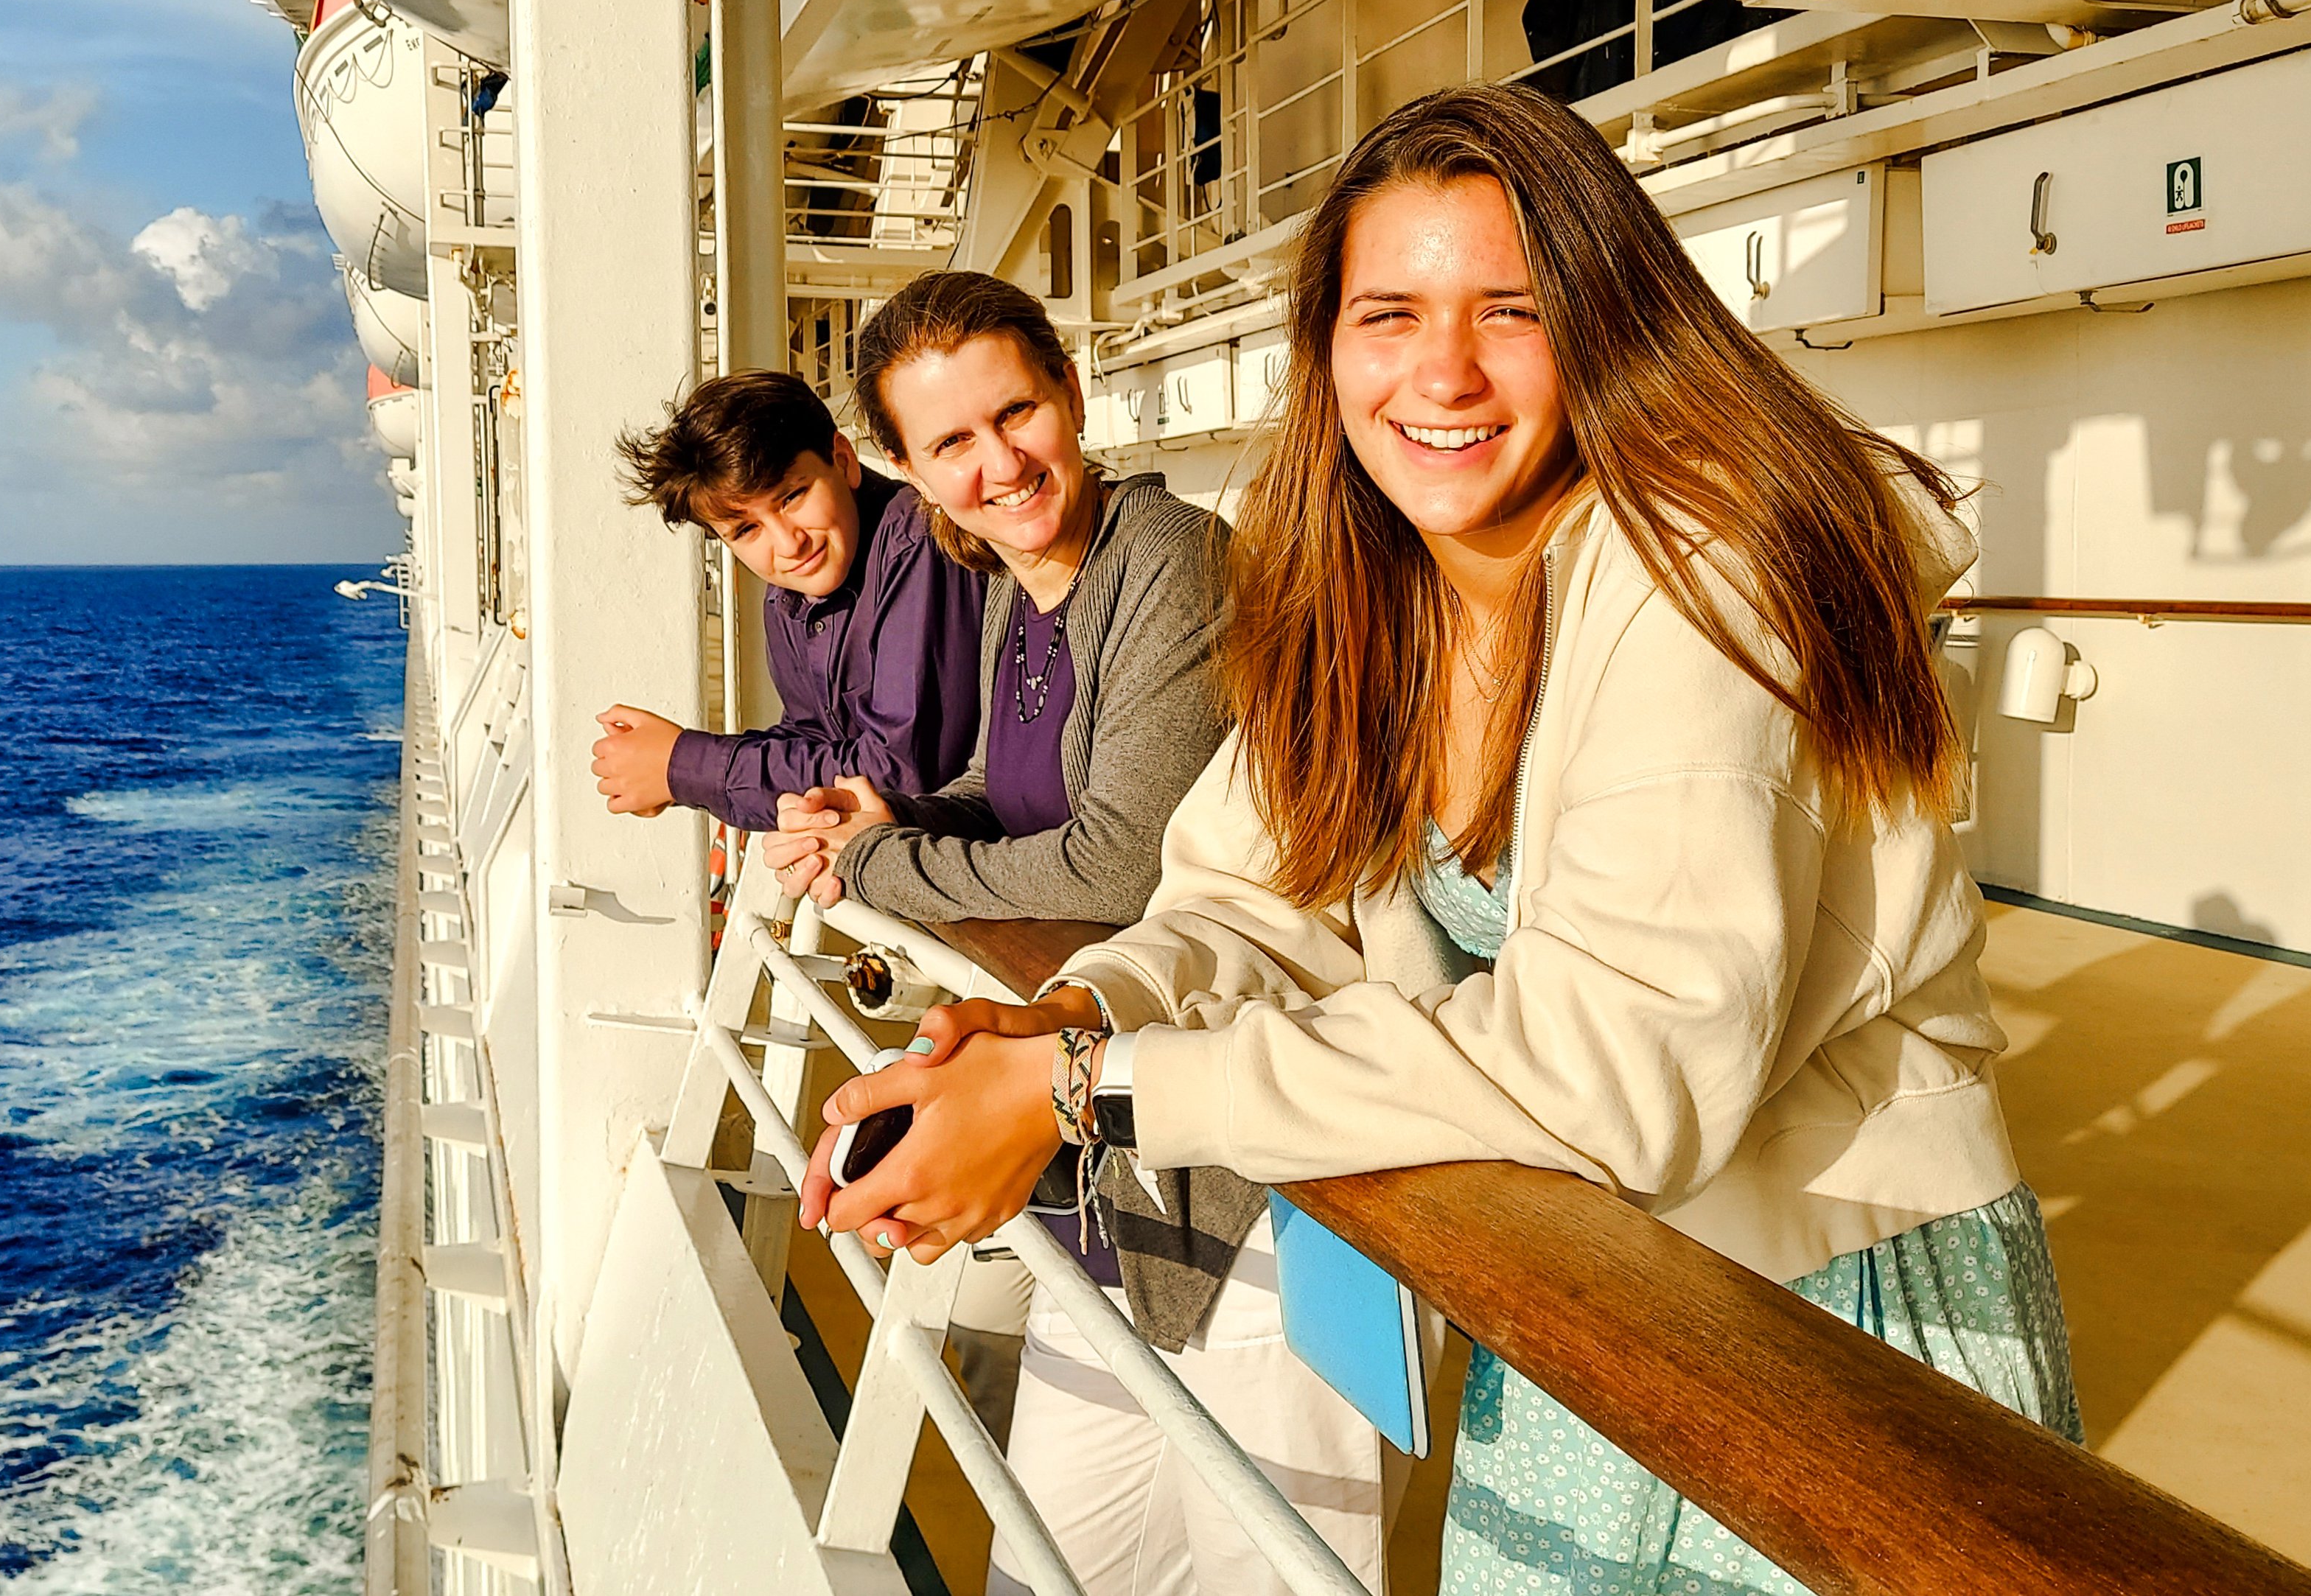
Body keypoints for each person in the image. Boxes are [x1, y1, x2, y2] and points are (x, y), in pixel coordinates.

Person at [801, 85, 2083, 1596]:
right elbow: (1250, 896)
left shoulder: (1707, 572)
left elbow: (1617, 1069)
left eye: (1511, 312)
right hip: (1589, 1295)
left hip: (1824, 1316)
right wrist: (1075, 1012)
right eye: (1389, 315)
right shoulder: (1384, 587)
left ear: (1608, 324)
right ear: (1328, 345)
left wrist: (1087, 1092)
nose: (1443, 371)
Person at [770, 270, 1388, 1596]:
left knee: (1267, 1571)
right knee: (1051, 1565)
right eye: (952, 442)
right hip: (1103, 1157)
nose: (999, 464)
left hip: (1253, 1186)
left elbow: (1119, 859)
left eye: (1017, 413)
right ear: (906, 470)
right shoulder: (1020, 582)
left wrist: (875, 861)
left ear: (1071, 391)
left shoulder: (1168, 563)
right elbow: (1012, 792)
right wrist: (888, 817)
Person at [595, 368, 985, 831]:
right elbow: (814, 739)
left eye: (792, 497)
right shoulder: (789, 597)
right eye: (746, 530)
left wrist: (684, 768)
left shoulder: (916, 545)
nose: (788, 543)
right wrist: (670, 769)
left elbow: (904, 771)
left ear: (843, 460)